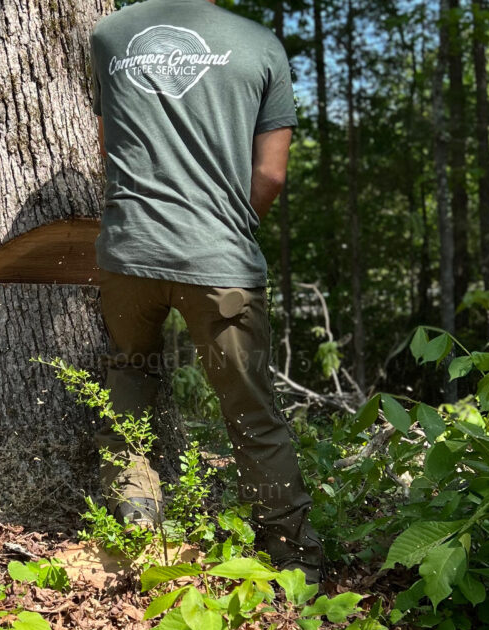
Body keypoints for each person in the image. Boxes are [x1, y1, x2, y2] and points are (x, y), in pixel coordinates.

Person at [89, 0, 322, 581]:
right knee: (250, 410)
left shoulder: (111, 33)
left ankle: (136, 515)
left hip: (129, 252)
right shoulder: (260, 44)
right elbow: (270, 173)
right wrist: (228, 232)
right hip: (222, 263)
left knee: (131, 373)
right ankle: (293, 557)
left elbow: (108, 144)